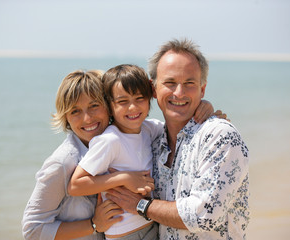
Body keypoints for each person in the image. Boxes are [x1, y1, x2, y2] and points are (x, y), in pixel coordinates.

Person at [106, 39, 250, 239]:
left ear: (202, 89)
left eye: (189, 83)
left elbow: (203, 215)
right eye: (170, 83)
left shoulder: (220, 136)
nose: (179, 93)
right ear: (153, 89)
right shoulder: (153, 140)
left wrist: (140, 205)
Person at [67, 64, 217, 239]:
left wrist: (205, 106)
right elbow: (75, 185)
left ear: (150, 97)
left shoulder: (148, 128)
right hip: (123, 232)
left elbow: (181, 124)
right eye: (123, 101)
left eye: (139, 98)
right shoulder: (109, 141)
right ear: (109, 105)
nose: (133, 108)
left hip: (150, 222)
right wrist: (123, 178)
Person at [22, 70, 124, 240]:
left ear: (108, 107)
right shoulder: (62, 163)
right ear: (66, 118)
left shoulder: (116, 147)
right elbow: (32, 230)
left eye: (94, 105)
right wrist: (93, 224)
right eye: (75, 111)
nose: (87, 118)